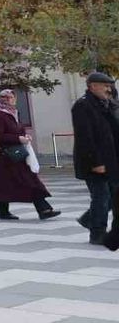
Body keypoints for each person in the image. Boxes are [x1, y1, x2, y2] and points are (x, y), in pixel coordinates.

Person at [0, 88, 61, 221]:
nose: (11, 100)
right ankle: (41, 209)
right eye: (7, 98)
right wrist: (18, 138)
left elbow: (17, 130)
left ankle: (42, 209)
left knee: (24, 179)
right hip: (4, 156)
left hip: (16, 153)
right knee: (12, 181)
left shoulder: (13, 113)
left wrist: (25, 136)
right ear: (1, 99)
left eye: (12, 97)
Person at [71, 72, 118, 246]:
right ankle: (97, 233)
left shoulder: (107, 104)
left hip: (111, 159)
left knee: (112, 197)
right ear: (93, 86)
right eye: (105, 86)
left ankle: (88, 219)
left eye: (110, 86)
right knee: (101, 197)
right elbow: (85, 137)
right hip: (93, 161)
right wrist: (96, 163)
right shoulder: (83, 105)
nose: (108, 89)